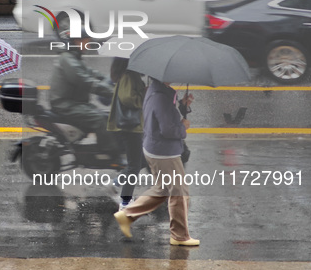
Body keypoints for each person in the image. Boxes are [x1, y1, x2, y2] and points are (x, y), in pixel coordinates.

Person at [113, 78, 199, 246]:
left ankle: (127, 215)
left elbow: (165, 115)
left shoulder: (157, 91)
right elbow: (167, 129)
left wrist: (182, 105)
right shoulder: (160, 97)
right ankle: (179, 235)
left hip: (156, 148)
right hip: (164, 152)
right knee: (179, 192)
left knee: (162, 189)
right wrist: (183, 127)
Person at [49, 33, 121, 165]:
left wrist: (110, 80)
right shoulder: (67, 59)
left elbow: (91, 73)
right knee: (98, 119)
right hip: (65, 105)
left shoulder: (73, 57)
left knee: (105, 116)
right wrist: (112, 92)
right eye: (85, 41)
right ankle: (108, 153)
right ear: (76, 41)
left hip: (74, 103)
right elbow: (84, 80)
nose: (87, 45)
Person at [107, 58, 147, 210]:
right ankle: (125, 203)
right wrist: (143, 96)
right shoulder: (129, 76)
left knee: (142, 161)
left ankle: (115, 183)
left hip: (133, 127)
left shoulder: (131, 75)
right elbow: (127, 98)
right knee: (134, 166)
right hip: (130, 128)